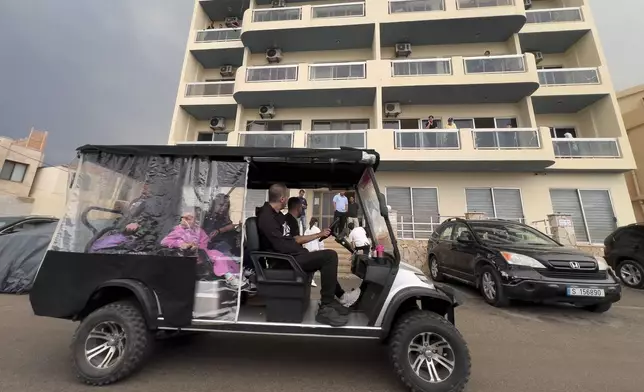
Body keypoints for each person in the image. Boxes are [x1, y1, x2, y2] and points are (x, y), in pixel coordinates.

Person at [256, 184, 360, 327]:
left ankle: (334, 300)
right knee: (330, 256)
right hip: (285, 260)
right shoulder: (266, 217)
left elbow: (291, 239)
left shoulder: (277, 215)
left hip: (293, 255)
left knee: (325, 257)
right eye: (286, 198)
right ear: (282, 199)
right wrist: (303, 250)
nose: (287, 201)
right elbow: (280, 245)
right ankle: (326, 307)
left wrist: (309, 244)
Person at [161, 210, 249, 290]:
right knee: (218, 257)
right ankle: (229, 277)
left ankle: (238, 273)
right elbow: (164, 241)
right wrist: (181, 244)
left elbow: (205, 241)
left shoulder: (198, 230)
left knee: (223, 256)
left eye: (190, 219)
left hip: (203, 252)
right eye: (184, 218)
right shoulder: (178, 231)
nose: (186, 221)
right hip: (190, 255)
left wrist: (198, 245)